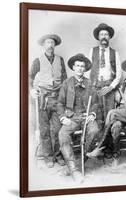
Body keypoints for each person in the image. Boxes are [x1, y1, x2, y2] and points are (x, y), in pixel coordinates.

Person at [87, 58, 126, 166]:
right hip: (121, 113)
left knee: (112, 113)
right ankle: (116, 157)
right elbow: (118, 100)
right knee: (115, 126)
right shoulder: (123, 84)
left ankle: (101, 147)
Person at [57, 53, 99, 183]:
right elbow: (59, 103)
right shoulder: (66, 83)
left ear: (85, 69)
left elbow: (96, 103)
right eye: (78, 66)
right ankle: (75, 170)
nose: (80, 68)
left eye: (82, 66)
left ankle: (78, 163)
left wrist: (92, 114)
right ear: (73, 68)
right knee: (62, 134)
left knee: (94, 130)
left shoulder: (90, 83)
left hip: (86, 116)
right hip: (72, 117)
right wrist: (63, 117)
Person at [29, 34, 67, 168]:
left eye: (52, 43)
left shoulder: (60, 60)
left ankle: (58, 155)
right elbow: (30, 79)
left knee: (57, 129)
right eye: (47, 43)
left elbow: (65, 80)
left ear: (55, 45)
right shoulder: (37, 61)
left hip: (57, 99)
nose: (50, 45)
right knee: (44, 130)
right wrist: (31, 90)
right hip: (43, 99)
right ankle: (48, 157)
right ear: (44, 45)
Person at [89, 23, 122, 121]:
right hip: (95, 87)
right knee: (97, 113)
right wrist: (90, 86)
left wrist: (111, 87)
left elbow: (119, 73)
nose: (104, 37)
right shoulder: (92, 51)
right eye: (101, 34)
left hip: (109, 88)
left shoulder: (114, 53)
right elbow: (88, 70)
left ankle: (108, 136)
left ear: (109, 37)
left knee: (109, 114)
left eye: (106, 34)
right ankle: (98, 136)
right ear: (98, 37)